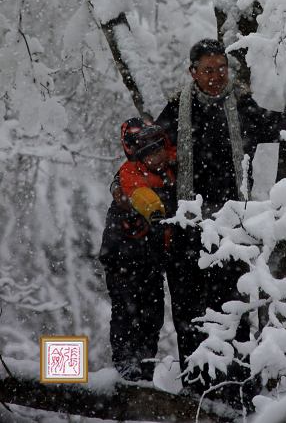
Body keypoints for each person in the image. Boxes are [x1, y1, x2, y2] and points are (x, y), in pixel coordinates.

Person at [156, 38, 286, 402]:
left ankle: (237, 396)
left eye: (221, 69)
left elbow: (275, 126)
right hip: (188, 231)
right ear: (192, 72)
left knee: (235, 312)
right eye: (208, 70)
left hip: (232, 228)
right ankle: (197, 395)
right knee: (190, 316)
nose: (215, 77)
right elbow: (153, 154)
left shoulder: (239, 107)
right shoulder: (176, 111)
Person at [99, 116, 177, 382]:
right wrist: (154, 213)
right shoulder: (130, 174)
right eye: (151, 152)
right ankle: (125, 364)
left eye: (160, 149)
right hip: (124, 256)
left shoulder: (169, 168)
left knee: (151, 316)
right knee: (126, 309)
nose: (158, 156)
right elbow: (143, 198)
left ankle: (144, 367)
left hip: (152, 260)